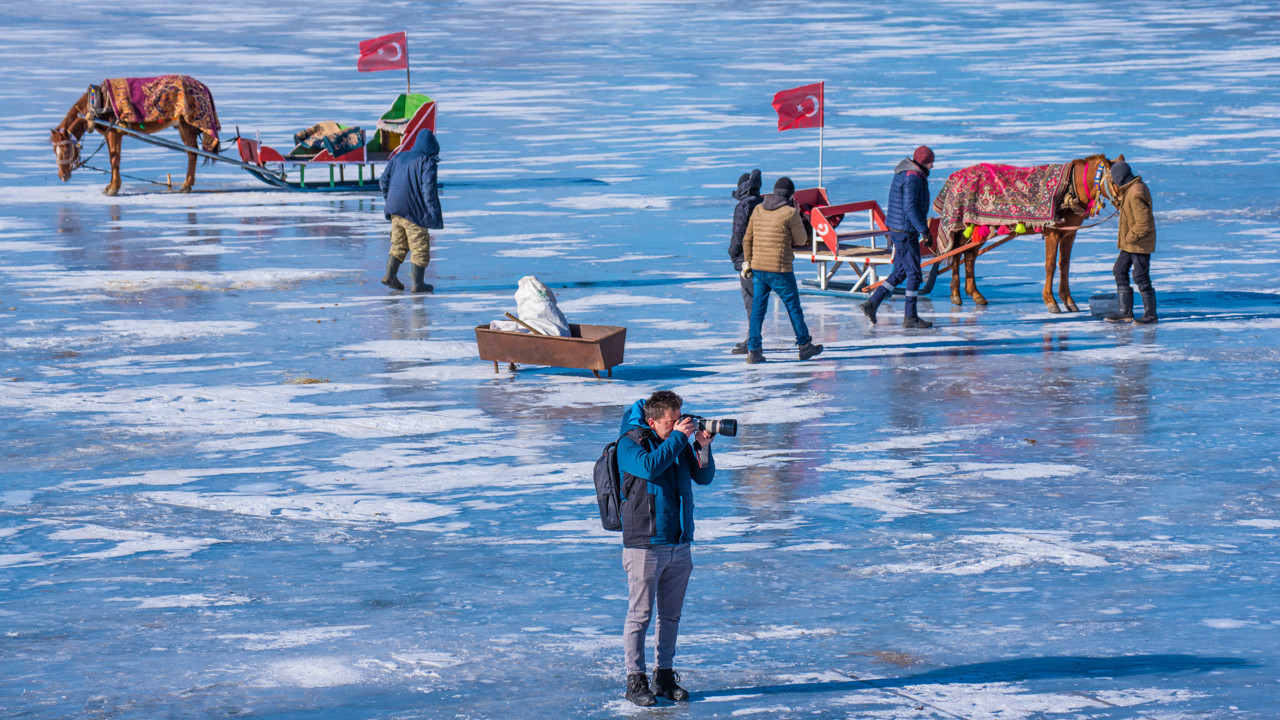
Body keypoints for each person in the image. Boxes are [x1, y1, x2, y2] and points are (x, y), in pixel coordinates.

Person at [616, 390, 715, 706]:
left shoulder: (678, 443)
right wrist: (678, 439)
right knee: (640, 615)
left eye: (679, 419)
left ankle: (664, 676)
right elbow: (648, 468)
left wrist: (703, 447)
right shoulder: (629, 444)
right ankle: (635, 680)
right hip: (645, 544)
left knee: (670, 616)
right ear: (651, 420)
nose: (678, 426)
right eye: (671, 422)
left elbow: (703, 476)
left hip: (679, 544)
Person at [741, 177, 824, 364]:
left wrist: (747, 262)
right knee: (793, 308)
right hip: (780, 270)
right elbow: (802, 240)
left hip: (759, 268)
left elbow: (747, 239)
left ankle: (753, 351)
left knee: (757, 310)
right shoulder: (789, 212)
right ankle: (804, 346)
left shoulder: (758, 209)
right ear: (790, 195)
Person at [860, 145, 935, 329]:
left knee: (901, 271)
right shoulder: (913, 178)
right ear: (923, 162)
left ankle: (872, 303)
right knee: (915, 274)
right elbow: (910, 208)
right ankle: (910, 316)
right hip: (905, 230)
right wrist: (924, 230)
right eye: (930, 162)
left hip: (900, 228)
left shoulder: (908, 173)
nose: (932, 166)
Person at [379, 129, 442, 293]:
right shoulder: (427, 161)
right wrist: (432, 213)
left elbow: (383, 181)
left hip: (395, 210)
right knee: (420, 247)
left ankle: (390, 275)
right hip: (414, 212)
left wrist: (390, 199)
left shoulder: (398, 157)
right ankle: (418, 284)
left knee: (398, 243)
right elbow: (429, 190)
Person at [1105, 159, 1158, 324]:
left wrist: (1129, 238)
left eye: (1113, 177)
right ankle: (1125, 311)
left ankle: (1150, 314)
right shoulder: (1130, 190)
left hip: (1139, 244)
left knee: (1140, 276)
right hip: (1131, 243)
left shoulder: (1136, 193)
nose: (1112, 180)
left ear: (1120, 176)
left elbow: (1143, 224)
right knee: (1119, 270)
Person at [728, 169, 764, 354]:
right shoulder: (763, 203)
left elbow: (739, 235)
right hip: (764, 258)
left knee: (751, 300)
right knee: (757, 300)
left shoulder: (743, 207)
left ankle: (753, 341)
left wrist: (733, 253)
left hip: (747, 261)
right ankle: (752, 338)